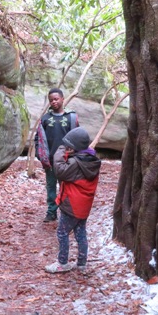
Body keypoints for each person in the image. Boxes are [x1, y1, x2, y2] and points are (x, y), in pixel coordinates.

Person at [44, 127, 101, 274]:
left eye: (70, 146)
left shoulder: (76, 163)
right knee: (80, 232)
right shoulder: (90, 159)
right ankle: (81, 263)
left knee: (62, 233)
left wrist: (60, 150)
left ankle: (62, 263)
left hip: (72, 206)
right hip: (83, 206)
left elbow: (59, 171)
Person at [35, 88, 78, 222]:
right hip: (51, 160)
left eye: (56, 99)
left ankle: (67, 212)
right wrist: (40, 154)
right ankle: (51, 211)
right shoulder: (46, 118)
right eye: (51, 100)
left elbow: (78, 136)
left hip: (67, 160)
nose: (53, 102)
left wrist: (75, 153)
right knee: (51, 186)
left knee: (66, 186)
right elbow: (38, 139)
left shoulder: (71, 117)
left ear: (62, 99)